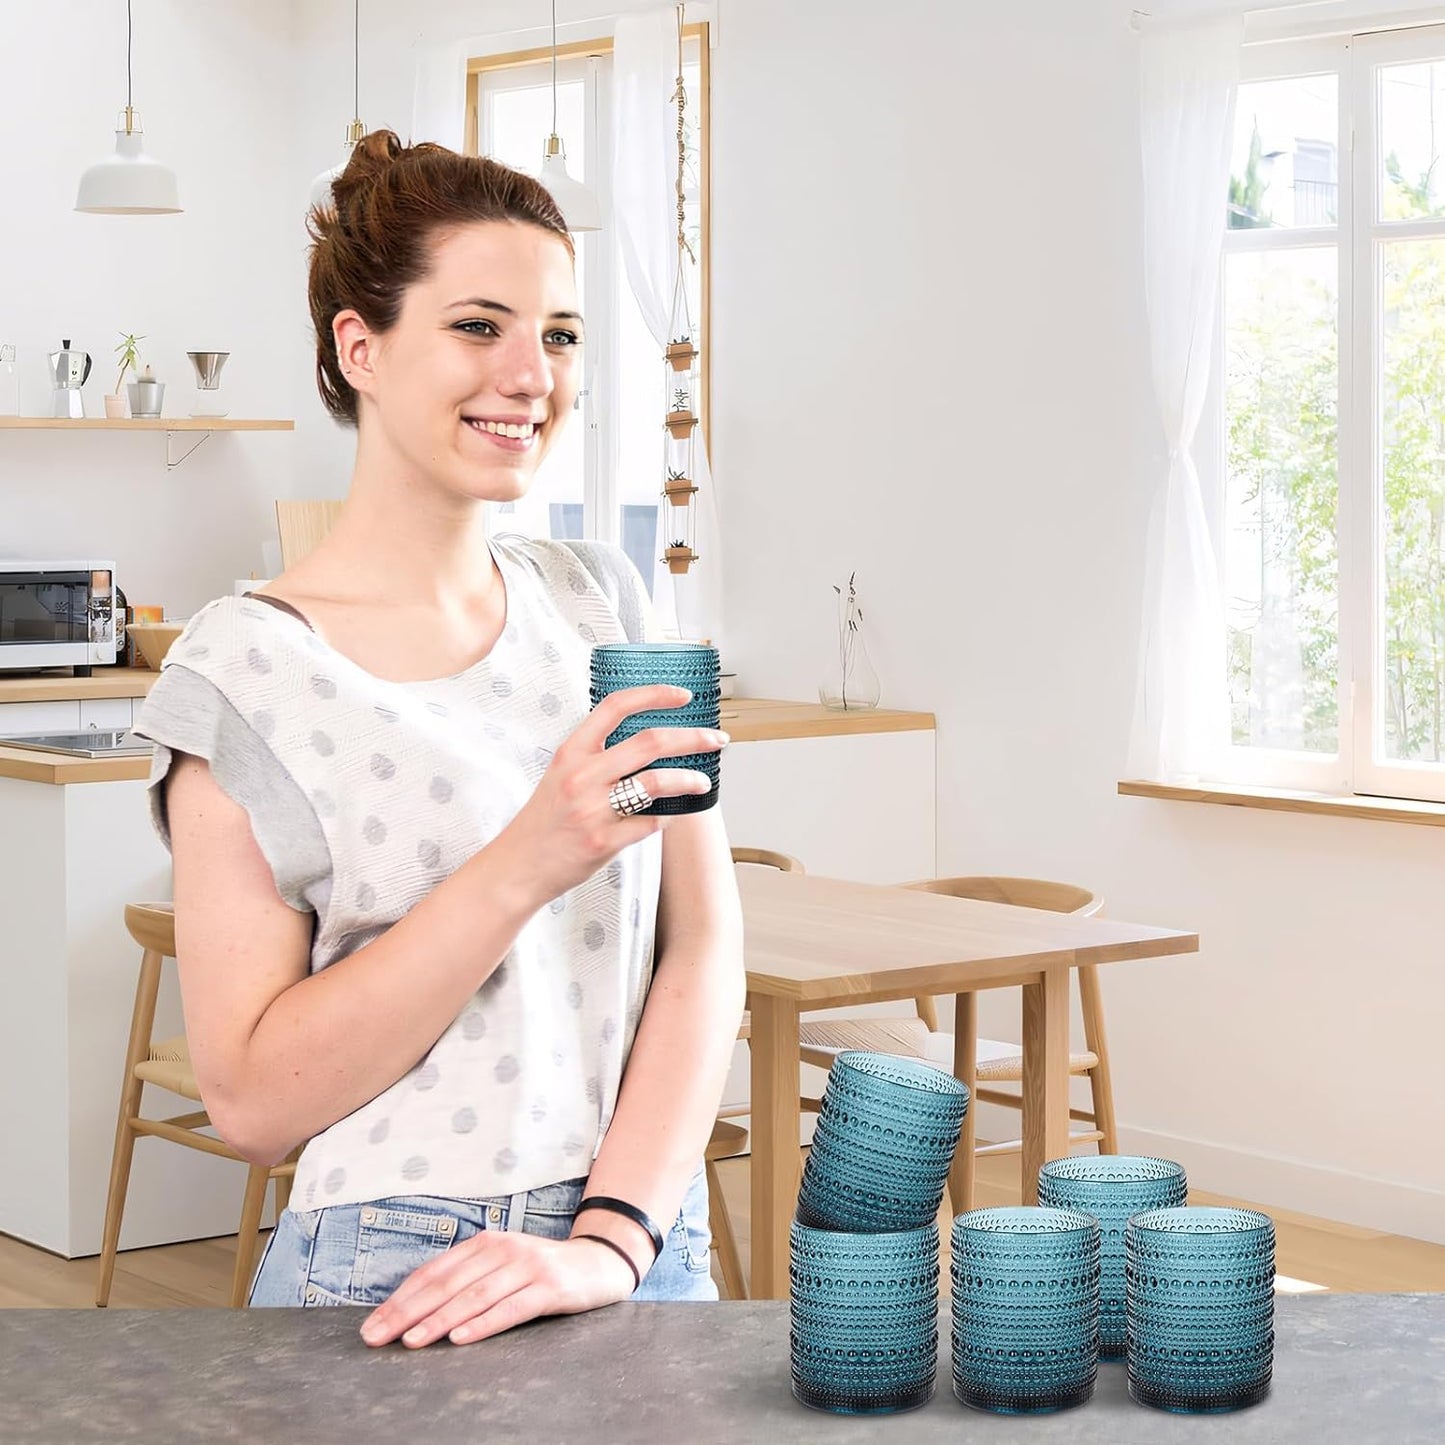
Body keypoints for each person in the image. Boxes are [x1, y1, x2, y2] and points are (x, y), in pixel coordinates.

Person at [130, 130, 743, 1348]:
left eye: (560, 335)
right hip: (400, 1274)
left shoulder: (602, 603)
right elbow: (251, 1099)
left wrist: (613, 1238)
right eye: (478, 326)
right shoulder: (244, 669)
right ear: (360, 347)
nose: (532, 374)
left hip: (645, 1248)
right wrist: (528, 855)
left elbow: (701, 946)